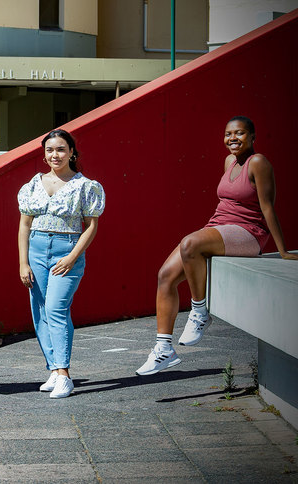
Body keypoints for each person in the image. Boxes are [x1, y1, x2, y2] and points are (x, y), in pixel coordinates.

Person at [136, 116, 297, 375]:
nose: (233, 138)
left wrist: (282, 251)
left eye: (240, 133)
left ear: (253, 137)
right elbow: (227, 204)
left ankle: (200, 312)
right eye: (228, 134)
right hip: (220, 226)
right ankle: (164, 349)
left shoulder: (258, 162)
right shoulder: (229, 161)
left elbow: (267, 208)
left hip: (249, 232)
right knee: (165, 276)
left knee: (190, 243)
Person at [17, 129, 105, 398]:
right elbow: (24, 225)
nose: (55, 155)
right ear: (44, 155)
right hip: (37, 249)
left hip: (67, 249)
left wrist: (72, 256)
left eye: (61, 149)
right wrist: (23, 262)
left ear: (72, 153)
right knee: (40, 310)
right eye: (50, 150)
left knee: (56, 308)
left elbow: (91, 226)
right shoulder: (33, 185)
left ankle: (64, 374)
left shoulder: (85, 186)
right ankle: (53, 370)